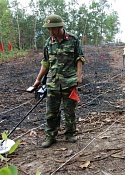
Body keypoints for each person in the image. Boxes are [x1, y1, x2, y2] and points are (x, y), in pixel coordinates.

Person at [32, 14, 85, 148]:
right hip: (53, 82)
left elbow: (79, 58)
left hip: (69, 81)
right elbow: (45, 62)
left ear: (60, 27)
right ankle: (51, 136)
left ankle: (70, 133)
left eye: (52, 29)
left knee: (70, 110)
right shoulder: (49, 42)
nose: (50, 32)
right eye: (49, 29)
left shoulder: (73, 40)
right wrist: (38, 79)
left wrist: (79, 76)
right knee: (51, 112)